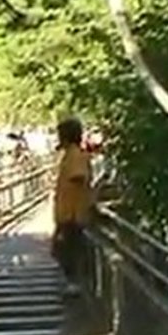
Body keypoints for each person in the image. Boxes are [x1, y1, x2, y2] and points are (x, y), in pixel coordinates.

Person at [52, 117, 93, 297]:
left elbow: (79, 177)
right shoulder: (69, 154)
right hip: (67, 212)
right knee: (61, 249)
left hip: (72, 214)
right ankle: (73, 282)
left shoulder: (75, 155)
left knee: (67, 249)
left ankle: (75, 283)